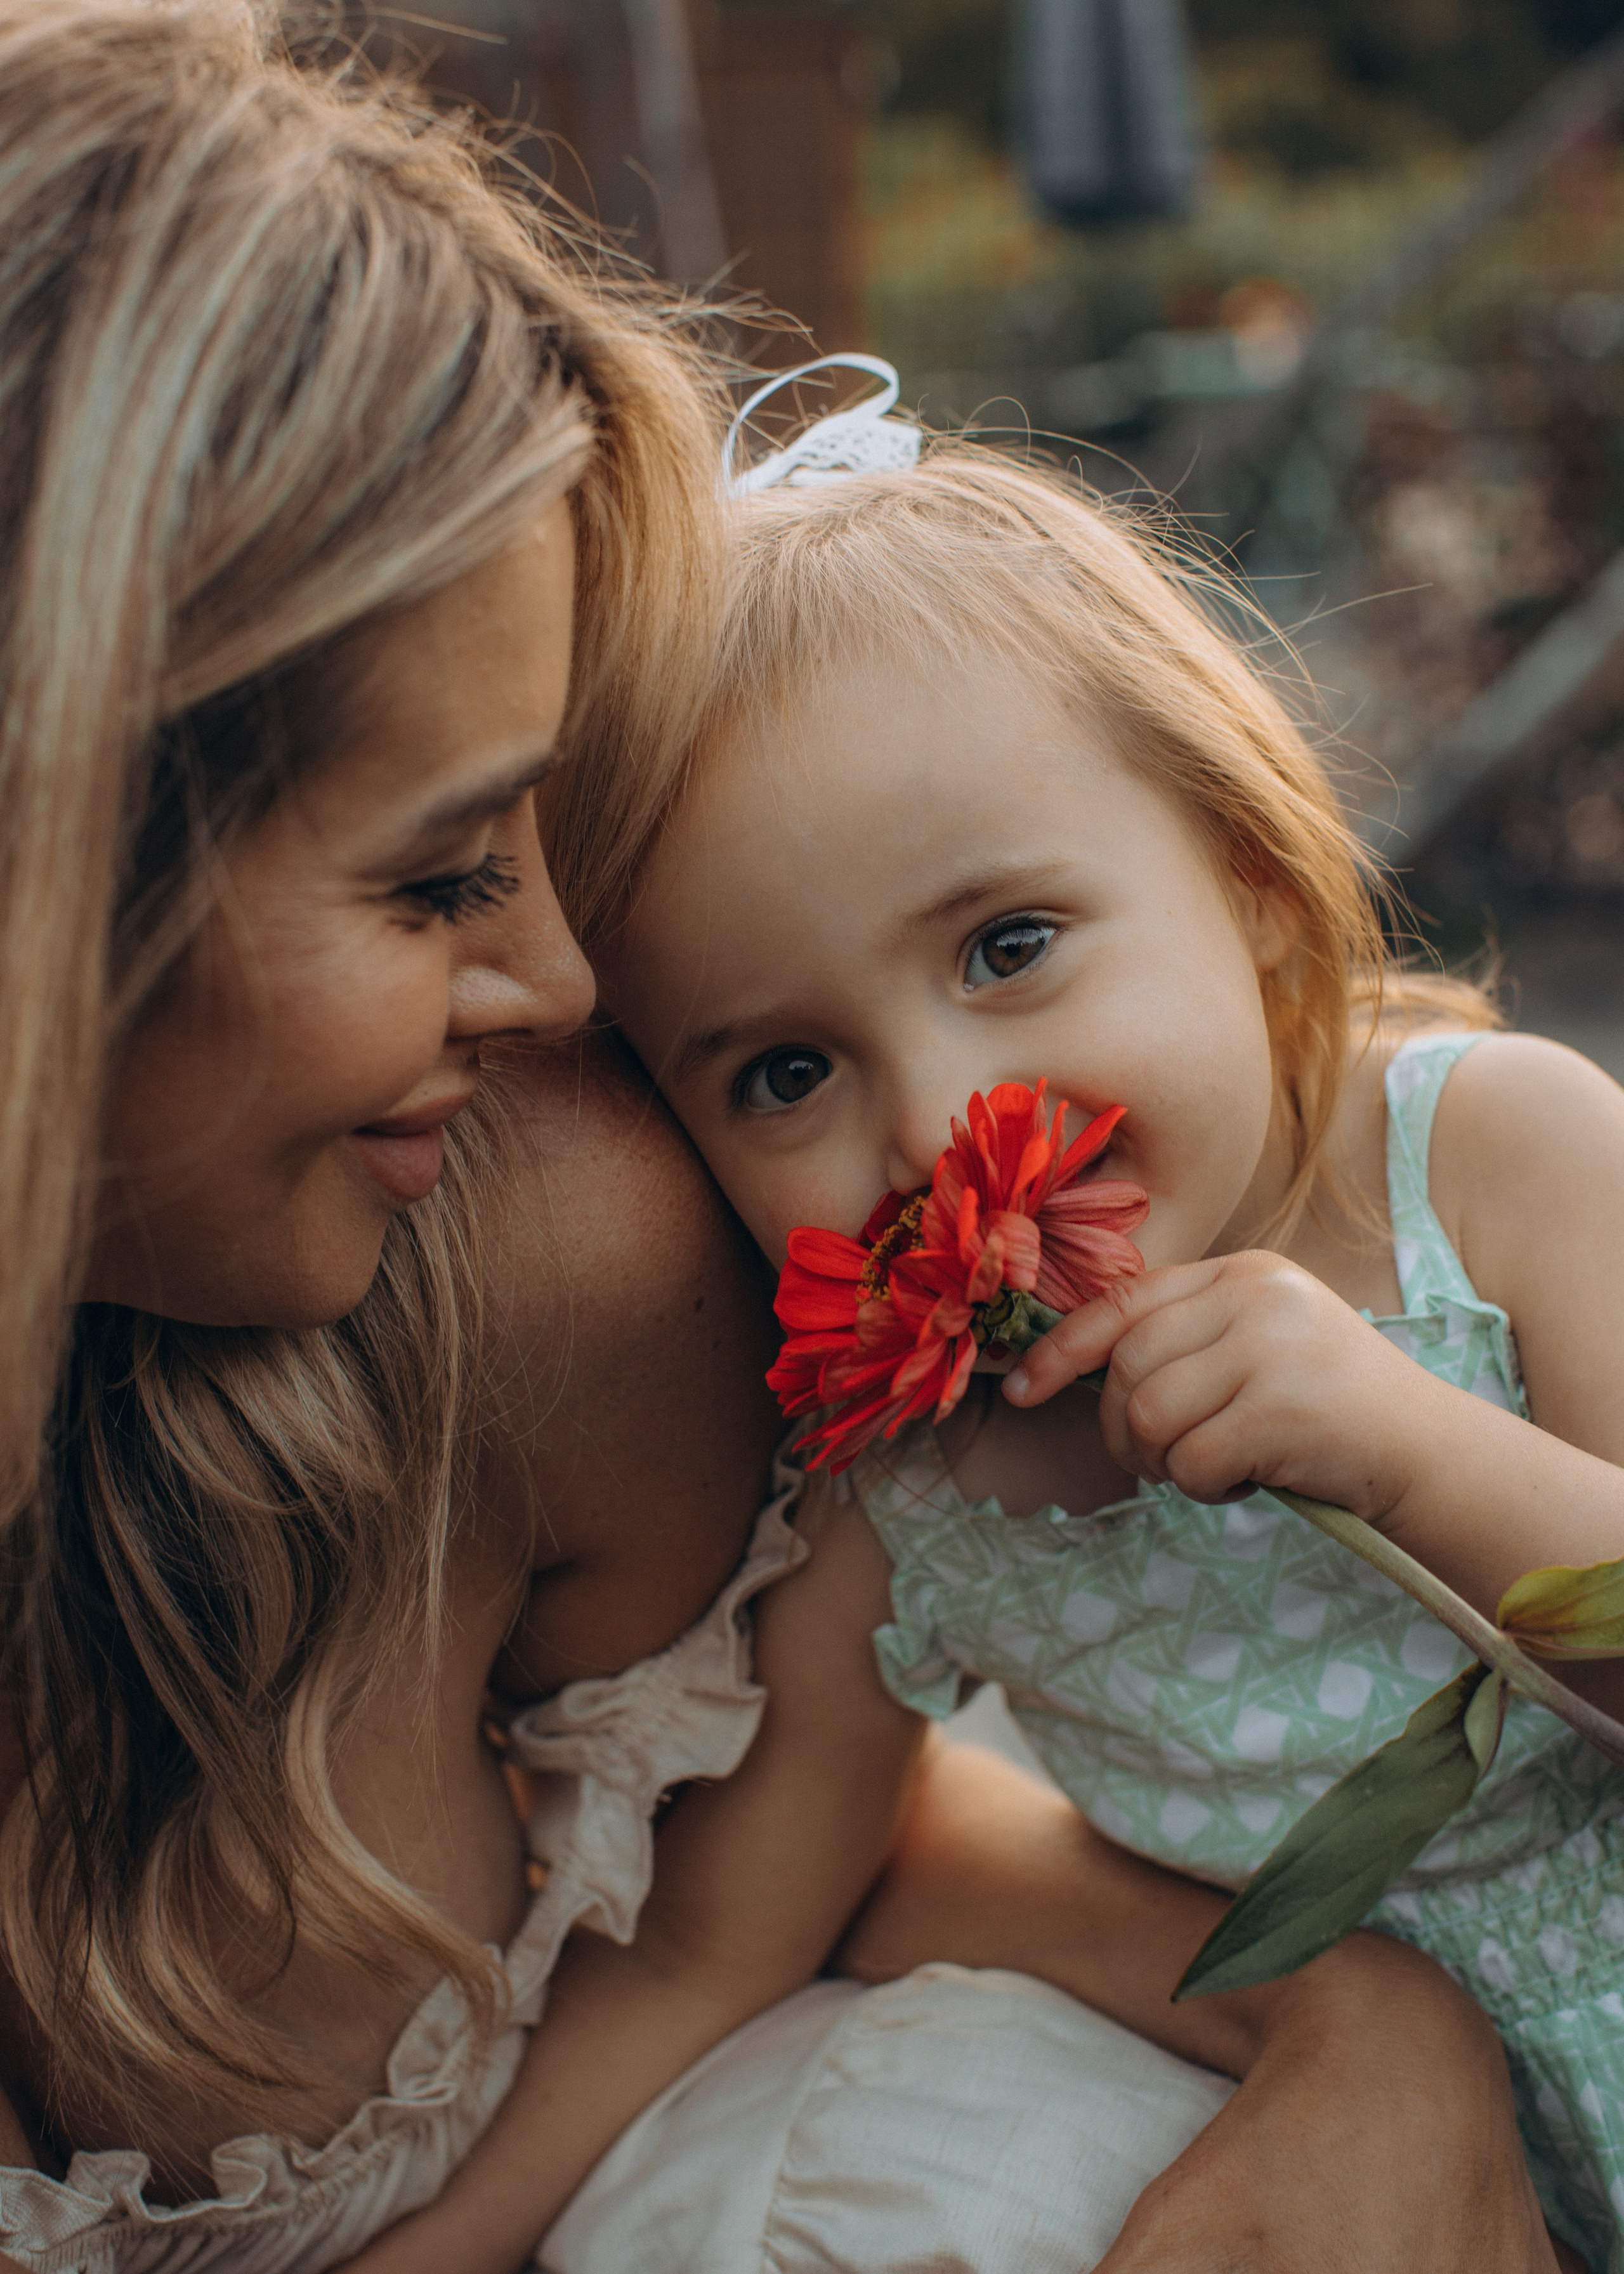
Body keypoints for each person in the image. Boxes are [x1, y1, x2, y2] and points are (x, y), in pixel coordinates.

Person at [0, 7, 1572, 2270]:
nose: (554, 999)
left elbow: (794, 1840)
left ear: (1249, 856)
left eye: (1014, 939)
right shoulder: (883, 1419)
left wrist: (1365, 1991)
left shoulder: (560, 1256)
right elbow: (764, 1886)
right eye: (439, 868)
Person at [576, 437, 1621, 2271]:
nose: (935, 1120)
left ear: (1252, 877)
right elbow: (722, 1939)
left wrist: (1409, 1450)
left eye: (1010, 943)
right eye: (785, 1070)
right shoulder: (892, 1486)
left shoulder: (1496, 1166)